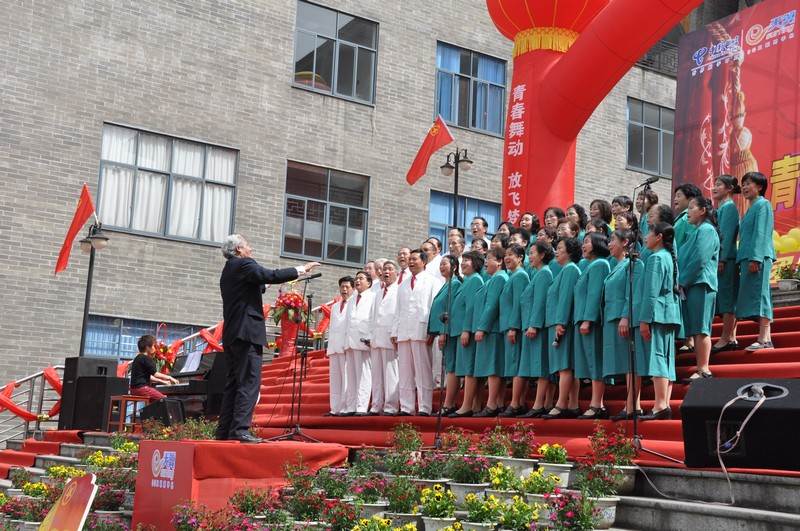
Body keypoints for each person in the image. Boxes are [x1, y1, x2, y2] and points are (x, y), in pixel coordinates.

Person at [216, 234, 319, 442]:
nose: (251, 249)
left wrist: (267, 283)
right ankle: (240, 430)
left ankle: (225, 431)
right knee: (249, 382)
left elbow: (256, 282)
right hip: (247, 333)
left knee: (234, 384)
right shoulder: (244, 264)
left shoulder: (229, 270)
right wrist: (301, 269)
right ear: (238, 250)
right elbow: (268, 275)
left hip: (233, 334)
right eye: (247, 246)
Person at [637, 222, 682, 420]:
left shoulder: (656, 258)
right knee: (666, 359)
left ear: (659, 237)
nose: (646, 237)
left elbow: (650, 293)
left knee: (657, 359)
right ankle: (663, 404)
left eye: (649, 233)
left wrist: (644, 319)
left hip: (657, 314)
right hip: (668, 313)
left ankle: (660, 405)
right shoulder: (667, 257)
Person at [392, 249, 438, 415]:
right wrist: (394, 332)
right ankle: (407, 407)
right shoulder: (403, 284)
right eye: (409, 259)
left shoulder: (432, 281)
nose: (410, 262)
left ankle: (425, 407)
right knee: (405, 371)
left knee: (422, 370)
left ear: (424, 262)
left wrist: (432, 330)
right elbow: (398, 310)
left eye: (414, 259)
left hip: (421, 330)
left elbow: (434, 308)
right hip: (404, 331)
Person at [679, 197, 720, 381]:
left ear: (702, 210)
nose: (687, 212)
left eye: (691, 208)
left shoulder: (707, 230)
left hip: (701, 283)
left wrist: (682, 281)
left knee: (701, 327)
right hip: (692, 284)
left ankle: (704, 369)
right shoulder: (698, 230)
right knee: (696, 326)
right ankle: (700, 367)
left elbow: (700, 259)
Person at [604, 231, 644, 421]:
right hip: (612, 317)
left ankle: (632, 405)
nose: (609, 244)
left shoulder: (633, 263)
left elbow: (632, 293)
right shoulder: (617, 265)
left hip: (624, 318)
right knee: (626, 362)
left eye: (613, 240)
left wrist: (625, 317)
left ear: (626, 242)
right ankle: (632, 405)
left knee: (631, 362)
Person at [542, 238, 582, 419]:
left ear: (570, 252)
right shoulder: (565, 270)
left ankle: (561, 404)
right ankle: (572, 404)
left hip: (562, 323)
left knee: (564, 366)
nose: (556, 251)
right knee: (565, 366)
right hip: (559, 322)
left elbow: (565, 298)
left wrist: (560, 322)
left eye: (559, 248)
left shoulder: (570, 269)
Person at [736, 171, 775, 351]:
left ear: (759, 186)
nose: (744, 187)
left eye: (748, 183)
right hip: (748, 257)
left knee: (760, 295)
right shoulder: (750, 208)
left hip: (757, 257)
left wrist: (756, 258)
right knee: (755, 295)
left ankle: (763, 339)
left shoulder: (763, 204)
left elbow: (761, 233)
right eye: (743, 184)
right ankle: (766, 339)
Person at [573, 233, 611, 419]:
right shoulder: (590, 265)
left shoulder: (600, 264)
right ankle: (596, 403)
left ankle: (597, 404)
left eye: (587, 241)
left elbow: (595, 294)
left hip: (591, 322)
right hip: (582, 319)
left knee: (595, 360)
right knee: (589, 360)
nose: (583, 245)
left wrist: (588, 319)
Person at [518, 241, 555, 418]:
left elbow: (540, 302)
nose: (529, 256)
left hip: (537, 327)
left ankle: (539, 404)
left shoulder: (544, 273)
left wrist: (534, 324)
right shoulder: (537, 273)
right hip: (531, 325)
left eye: (532, 253)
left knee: (541, 366)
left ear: (542, 255)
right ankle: (540, 403)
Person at [472, 248, 509, 417]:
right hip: (492, 329)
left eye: (489, 259)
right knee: (494, 367)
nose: (486, 262)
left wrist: (482, 327)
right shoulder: (494, 278)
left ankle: (492, 404)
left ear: (499, 261)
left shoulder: (499, 278)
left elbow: (491, 305)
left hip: (492, 330)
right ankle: (497, 402)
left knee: (493, 368)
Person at [449, 252, 486, 417]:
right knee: (465, 368)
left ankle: (467, 405)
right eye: (462, 260)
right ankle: (473, 405)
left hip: (467, 331)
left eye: (467, 260)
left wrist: (466, 329)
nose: (463, 263)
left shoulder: (475, 280)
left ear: (476, 263)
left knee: (468, 369)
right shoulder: (468, 280)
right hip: (460, 330)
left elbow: (471, 307)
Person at [498, 244, 531, 417]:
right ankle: (517, 402)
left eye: (511, 254)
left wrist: (513, 327)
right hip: (508, 326)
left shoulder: (520, 276)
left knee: (516, 364)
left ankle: (516, 403)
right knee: (513, 365)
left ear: (520, 258)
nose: (507, 258)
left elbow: (519, 303)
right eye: (506, 255)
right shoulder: (513, 276)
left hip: (514, 327)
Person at [428, 255, 462, 415]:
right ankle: (448, 402)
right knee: (449, 365)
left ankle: (449, 403)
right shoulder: (447, 283)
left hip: (449, 330)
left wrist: (443, 331)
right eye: (440, 264)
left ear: (454, 266)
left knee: (451, 366)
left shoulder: (454, 284)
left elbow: (449, 309)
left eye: (445, 264)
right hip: (444, 330)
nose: (441, 267)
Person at [712, 175, 741, 352]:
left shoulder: (729, 207)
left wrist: (721, 259)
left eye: (719, 185)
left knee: (727, 298)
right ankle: (731, 337)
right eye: (714, 184)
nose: (714, 188)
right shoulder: (722, 207)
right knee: (724, 297)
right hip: (723, 258)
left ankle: (726, 337)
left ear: (729, 189)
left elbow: (727, 235)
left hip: (727, 259)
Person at [344, 271, 376, 415]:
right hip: (350, 341)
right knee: (351, 376)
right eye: (356, 279)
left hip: (364, 341)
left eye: (361, 279)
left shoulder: (373, 297)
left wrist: (370, 337)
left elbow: (373, 319)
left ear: (369, 283)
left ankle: (361, 406)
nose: (357, 281)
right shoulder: (352, 299)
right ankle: (350, 406)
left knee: (364, 375)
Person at [371, 262, 400, 415]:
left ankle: (391, 406)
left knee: (391, 373)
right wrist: (370, 335)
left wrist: (395, 332)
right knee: (376, 375)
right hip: (376, 337)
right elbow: (372, 315)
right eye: (384, 269)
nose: (386, 272)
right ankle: (376, 405)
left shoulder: (399, 290)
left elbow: (399, 314)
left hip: (390, 337)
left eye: (390, 269)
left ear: (397, 273)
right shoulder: (378, 293)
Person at [325, 276, 354, 416]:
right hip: (334, 346)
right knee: (335, 379)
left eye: (347, 287)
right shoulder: (335, 306)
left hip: (346, 346)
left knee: (346, 378)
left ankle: (345, 407)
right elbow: (332, 327)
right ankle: (334, 408)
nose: (344, 290)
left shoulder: (354, 303)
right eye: (342, 287)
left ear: (353, 288)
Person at [129, 335, 179, 402]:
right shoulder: (146, 358)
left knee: (155, 401)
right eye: (153, 346)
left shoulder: (137, 358)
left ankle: (150, 409)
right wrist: (170, 377)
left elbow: (149, 377)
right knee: (165, 401)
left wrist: (163, 382)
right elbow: (156, 374)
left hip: (134, 390)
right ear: (147, 347)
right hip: (142, 389)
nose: (155, 349)